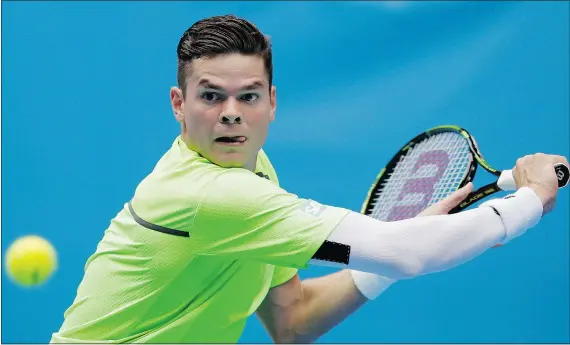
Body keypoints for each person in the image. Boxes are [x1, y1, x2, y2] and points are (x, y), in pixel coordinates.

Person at [50, 14, 567, 344]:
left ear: (271, 103)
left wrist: (387, 254)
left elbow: (293, 321)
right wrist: (527, 202)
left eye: (248, 95)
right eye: (211, 96)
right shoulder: (209, 193)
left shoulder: (255, 174)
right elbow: (409, 254)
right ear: (179, 105)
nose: (231, 114)